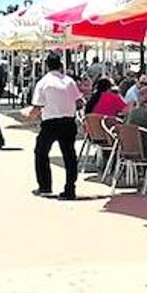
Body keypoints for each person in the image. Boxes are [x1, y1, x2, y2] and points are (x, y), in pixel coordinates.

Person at [28, 53, 84, 200]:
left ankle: (45, 185)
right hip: (68, 121)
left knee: (41, 152)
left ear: (47, 66)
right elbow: (79, 103)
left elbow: (37, 107)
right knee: (69, 155)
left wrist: (29, 117)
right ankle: (70, 188)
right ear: (60, 65)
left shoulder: (43, 82)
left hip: (51, 122)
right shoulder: (69, 81)